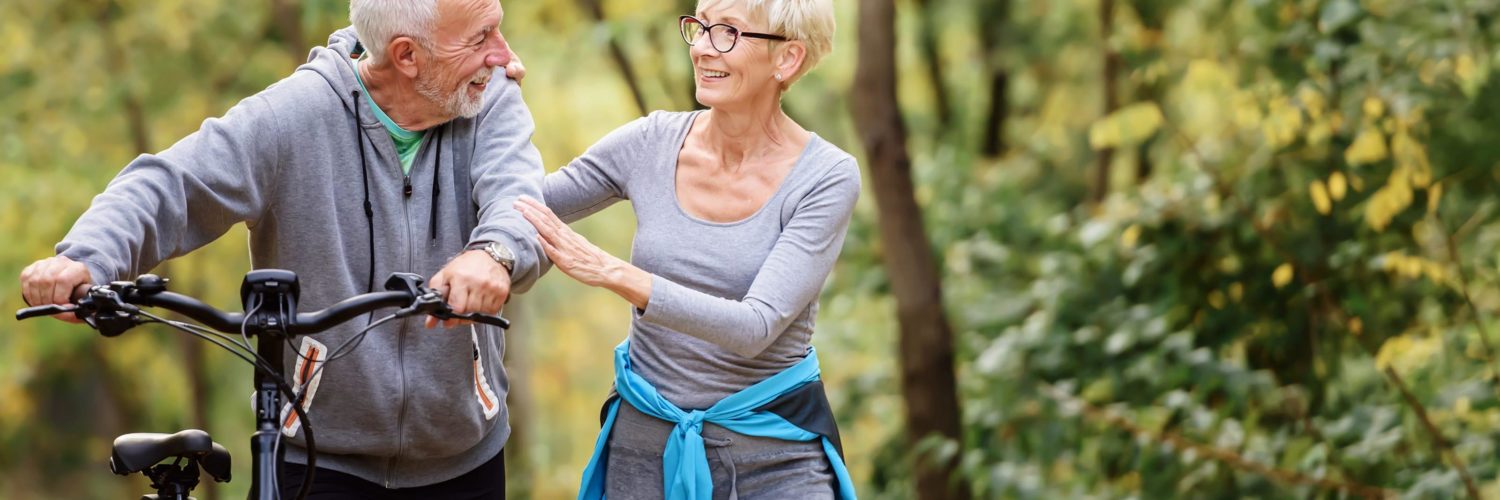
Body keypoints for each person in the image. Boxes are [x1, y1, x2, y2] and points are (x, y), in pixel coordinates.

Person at [18, 0, 543, 497]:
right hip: (319, 458)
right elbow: (173, 184)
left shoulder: (489, 97)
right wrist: (87, 256)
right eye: (480, 38)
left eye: (496, 27)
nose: (503, 54)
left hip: (462, 458)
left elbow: (517, 197)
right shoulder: (295, 116)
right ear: (406, 55)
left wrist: (494, 253)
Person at [513, 0, 859, 497]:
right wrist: (495, 105)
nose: (699, 47)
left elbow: (754, 326)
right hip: (642, 451)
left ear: (787, 59)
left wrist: (614, 273)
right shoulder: (652, 141)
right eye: (699, 27)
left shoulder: (826, 177)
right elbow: (526, 205)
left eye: (727, 32)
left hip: (775, 463)